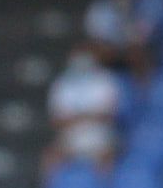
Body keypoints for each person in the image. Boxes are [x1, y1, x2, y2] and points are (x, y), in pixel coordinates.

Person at [44, 46, 122, 175]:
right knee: (51, 156)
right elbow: (56, 121)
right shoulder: (61, 84)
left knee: (108, 157)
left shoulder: (105, 81)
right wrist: (88, 116)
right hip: (71, 137)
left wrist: (78, 117)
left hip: (100, 136)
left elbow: (110, 116)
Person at [83, 0, 153, 77]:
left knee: (137, 52)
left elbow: (141, 38)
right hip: (107, 49)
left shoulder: (139, 9)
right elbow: (96, 39)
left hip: (127, 50)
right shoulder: (100, 9)